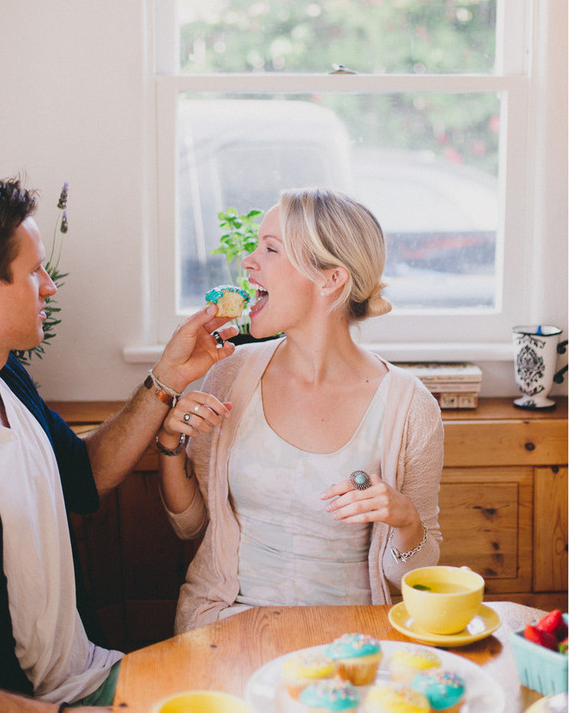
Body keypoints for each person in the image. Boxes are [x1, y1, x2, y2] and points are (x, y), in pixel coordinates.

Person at [158, 187, 444, 633]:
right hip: (224, 623)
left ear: (331, 279)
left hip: (349, 636)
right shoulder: (230, 374)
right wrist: (170, 444)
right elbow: (190, 524)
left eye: (270, 249)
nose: (249, 262)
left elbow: (409, 576)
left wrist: (405, 517)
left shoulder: (410, 406)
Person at [0, 177, 235, 711]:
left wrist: (165, 379)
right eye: (33, 271)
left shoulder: (7, 376)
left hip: (91, 674)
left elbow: (82, 478)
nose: (50, 286)